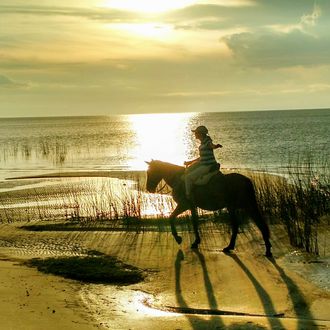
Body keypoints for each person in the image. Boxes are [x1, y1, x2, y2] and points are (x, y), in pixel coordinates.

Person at [184, 125, 222, 201]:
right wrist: (190, 162)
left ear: (201, 134)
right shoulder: (202, 143)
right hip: (203, 163)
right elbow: (201, 157)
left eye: (196, 133)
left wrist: (216, 146)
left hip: (207, 165)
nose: (195, 134)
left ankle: (188, 196)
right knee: (188, 171)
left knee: (188, 178)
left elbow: (212, 146)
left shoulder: (207, 142)